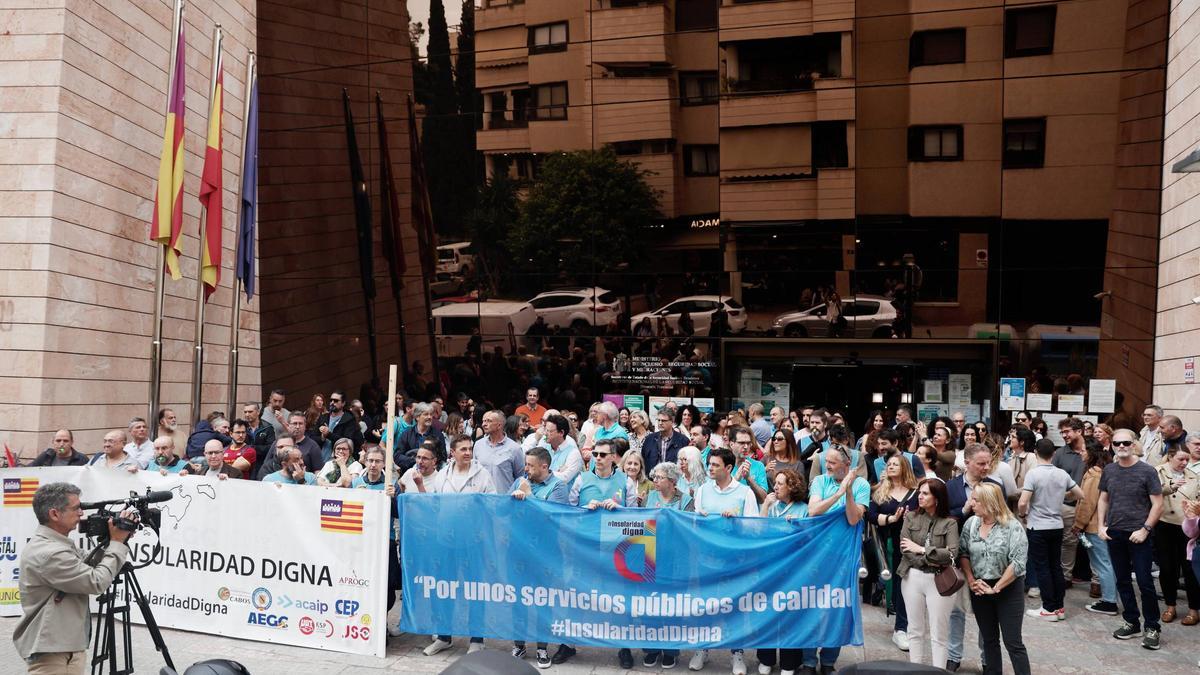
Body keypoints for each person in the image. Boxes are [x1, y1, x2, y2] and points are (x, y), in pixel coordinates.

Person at [13, 483, 135, 674]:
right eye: (76, 508)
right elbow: (96, 581)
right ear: (54, 514)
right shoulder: (50, 553)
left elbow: (89, 564)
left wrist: (113, 540)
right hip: (52, 652)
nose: (81, 513)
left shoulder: (58, 544)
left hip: (67, 645)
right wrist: (117, 543)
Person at [690, 446, 759, 674]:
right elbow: (695, 524)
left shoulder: (745, 493)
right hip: (707, 560)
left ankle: (737, 653)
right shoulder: (702, 490)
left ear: (729, 468)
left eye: (715, 465)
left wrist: (736, 520)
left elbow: (754, 527)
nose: (710, 468)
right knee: (704, 606)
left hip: (734, 561)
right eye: (709, 464)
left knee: (734, 607)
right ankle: (703, 648)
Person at [425, 435, 496, 656]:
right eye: (463, 449)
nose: (467, 452)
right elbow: (435, 504)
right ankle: (444, 636)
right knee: (443, 589)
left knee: (475, 589)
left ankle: (477, 639)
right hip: (445, 541)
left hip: (473, 541)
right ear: (452, 453)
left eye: (470, 448)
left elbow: (493, 503)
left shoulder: (482, 474)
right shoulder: (442, 475)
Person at [802, 444, 868, 673]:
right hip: (816, 554)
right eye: (826, 461)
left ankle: (829, 660)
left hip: (844, 557)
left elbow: (853, 519)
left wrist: (848, 491)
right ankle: (809, 660)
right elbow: (813, 511)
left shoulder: (862, 485)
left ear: (846, 464)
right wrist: (838, 494)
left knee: (837, 607)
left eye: (832, 462)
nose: (826, 466)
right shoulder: (820, 481)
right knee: (811, 605)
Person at [1098, 428, 1164, 649]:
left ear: (1134, 443)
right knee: (1122, 580)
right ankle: (1131, 621)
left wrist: (1145, 529)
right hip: (1115, 533)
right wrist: (1100, 525)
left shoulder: (1147, 471)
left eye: (1126, 442)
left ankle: (1152, 627)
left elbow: (1158, 504)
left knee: (1145, 582)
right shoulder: (1109, 470)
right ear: (1112, 446)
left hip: (1139, 534)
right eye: (1117, 444)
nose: (1122, 447)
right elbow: (1103, 498)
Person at [945, 443, 1006, 671]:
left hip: (989, 557)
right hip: (959, 554)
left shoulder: (995, 486)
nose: (986, 467)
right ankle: (953, 656)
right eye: (981, 463)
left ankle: (986, 658)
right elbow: (943, 517)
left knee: (987, 613)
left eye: (988, 463)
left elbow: (1004, 518)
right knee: (956, 610)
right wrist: (964, 510)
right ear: (967, 463)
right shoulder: (951, 487)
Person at [960, 482, 1031, 675]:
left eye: (975, 500)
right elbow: (964, 553)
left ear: (989, 503)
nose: (971, 503)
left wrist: (996, 587)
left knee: (1013, 641)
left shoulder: (1012, 527)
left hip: (1008, 588)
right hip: (980, 587)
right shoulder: (971, 524)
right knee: (989, 639)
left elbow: (1017, 563)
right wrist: (971, 580)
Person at [510, 446, 569, 668]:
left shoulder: (558, 486)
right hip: (520, 551)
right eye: (525, 464)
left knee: (543, 600)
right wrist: (515, 497)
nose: (526, 469)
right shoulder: (519, 482)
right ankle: (519, 644)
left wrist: (530, 497)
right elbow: (504, 509)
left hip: (546, 554)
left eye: (530, 465)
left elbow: (552, 517)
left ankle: (542, 649)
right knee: (519, 599)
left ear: (544, 466)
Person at [1018, 439, 1084, 621]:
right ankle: (1059, 607)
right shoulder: (1061, 473)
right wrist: (1062, 495)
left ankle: (1048, 608)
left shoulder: (1033, 474)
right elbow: (1080, 494)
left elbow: (1023, 501)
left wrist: (1023, 514)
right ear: (1053, 454)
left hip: (1038, 526)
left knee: (1042, 567)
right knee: (1056, 566)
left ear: (1035, 452)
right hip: (1057, 525)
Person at [897, 478, 959, 670]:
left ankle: (938, 671)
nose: (920, 496)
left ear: (937, 498)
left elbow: (951, 554)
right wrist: (929, 555)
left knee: (938, 633)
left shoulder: (950, 523)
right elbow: (905, 549)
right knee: (914, 630)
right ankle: (915, 670)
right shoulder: (911, 517)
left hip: (939, 579)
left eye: (925, 493)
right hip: (912, 576)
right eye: (920, 492)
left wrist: (922, 550)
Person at [351, 446, 404, 631]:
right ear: (365, 461)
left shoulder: (392, 484)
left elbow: (398, 514)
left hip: (385, 541)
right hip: (361, 542)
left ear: (384, 464)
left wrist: (393, 498)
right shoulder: (356, 482)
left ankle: (382, 620)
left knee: (388, 586)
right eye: (370, 460)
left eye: (378, 461)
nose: (373, 465)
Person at [870, 455, 920, 652]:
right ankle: (901, 627)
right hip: (887, 541)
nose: (890, 466)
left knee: (907, 584)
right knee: (895, 583)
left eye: (895, 464)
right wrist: (890, 518)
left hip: (910, 543)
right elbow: (871, 515)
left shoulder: (916, 492)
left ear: (904, 467)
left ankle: (904, 626)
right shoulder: (879, 491)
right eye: (888, 464)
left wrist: (913, 517)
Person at [1154, 446, 1200, 625]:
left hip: (1188, 527)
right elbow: (1152, 492)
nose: (1184, 463)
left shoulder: (1192, 475)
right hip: (1165, 524)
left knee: (1190, 568)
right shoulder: (1159, 471)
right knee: (1167, 568)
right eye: (1181, 459)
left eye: (1187, 460)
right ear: (1170, 457)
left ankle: (1193, 610)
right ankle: (1170, 606)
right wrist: (1171, 487)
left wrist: (1195, 507)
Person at [1073, 440, 1120, 615]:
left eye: (1084, 450)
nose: (1080, 453)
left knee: (1103, 563)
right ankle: (1110, 598)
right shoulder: (1106, 469)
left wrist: (1078, 524)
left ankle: (1109, 601)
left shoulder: (1094, 473)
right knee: (1106, 562)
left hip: (1093, 526)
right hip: (1103, 524)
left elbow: (1088, 502)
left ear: (1091, 453)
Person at [474, 410, 526, 495]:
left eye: (489, 421)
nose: (484, 424)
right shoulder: (478, 445)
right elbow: (474, 471)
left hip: (504, 500)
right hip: (482, 499)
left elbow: (520, 478)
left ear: (499, 425)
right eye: (484, 421)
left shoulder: (515, 448)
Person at [317, 390, 363, 458]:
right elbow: (313, 437)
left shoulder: (349, 420)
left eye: (336, 401)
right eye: (331, 400)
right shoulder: (323, 418)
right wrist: (322, 438)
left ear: (343, 403)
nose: (332, 403)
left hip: (340, 459)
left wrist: (329, 434)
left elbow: (348, 441)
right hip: (321, 459)